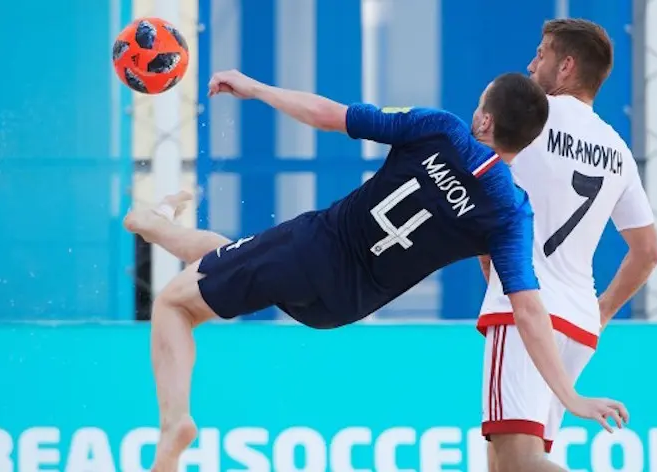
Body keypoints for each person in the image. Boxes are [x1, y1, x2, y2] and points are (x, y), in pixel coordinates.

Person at [124, 69, 629, 472]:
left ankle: (175, 424)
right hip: (345, 306)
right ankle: (151, 222)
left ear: (484, 119)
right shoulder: (511, 211)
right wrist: (570, 395)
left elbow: (329, 116)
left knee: (174, 303)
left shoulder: (441, 129)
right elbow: (528, 310)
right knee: (234, 258)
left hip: (314, 249)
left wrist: (257, 89)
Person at [477, 19, 657, 472]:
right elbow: (648, 251)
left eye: (541, 54)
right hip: (577, 322)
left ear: (566, 67)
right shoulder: (616, 148)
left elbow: (480, 189)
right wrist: (601, 311)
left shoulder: (528, 114)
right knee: (510, 464)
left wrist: (489, 263)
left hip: (526, 307)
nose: (531, 62)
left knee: (517, 463)